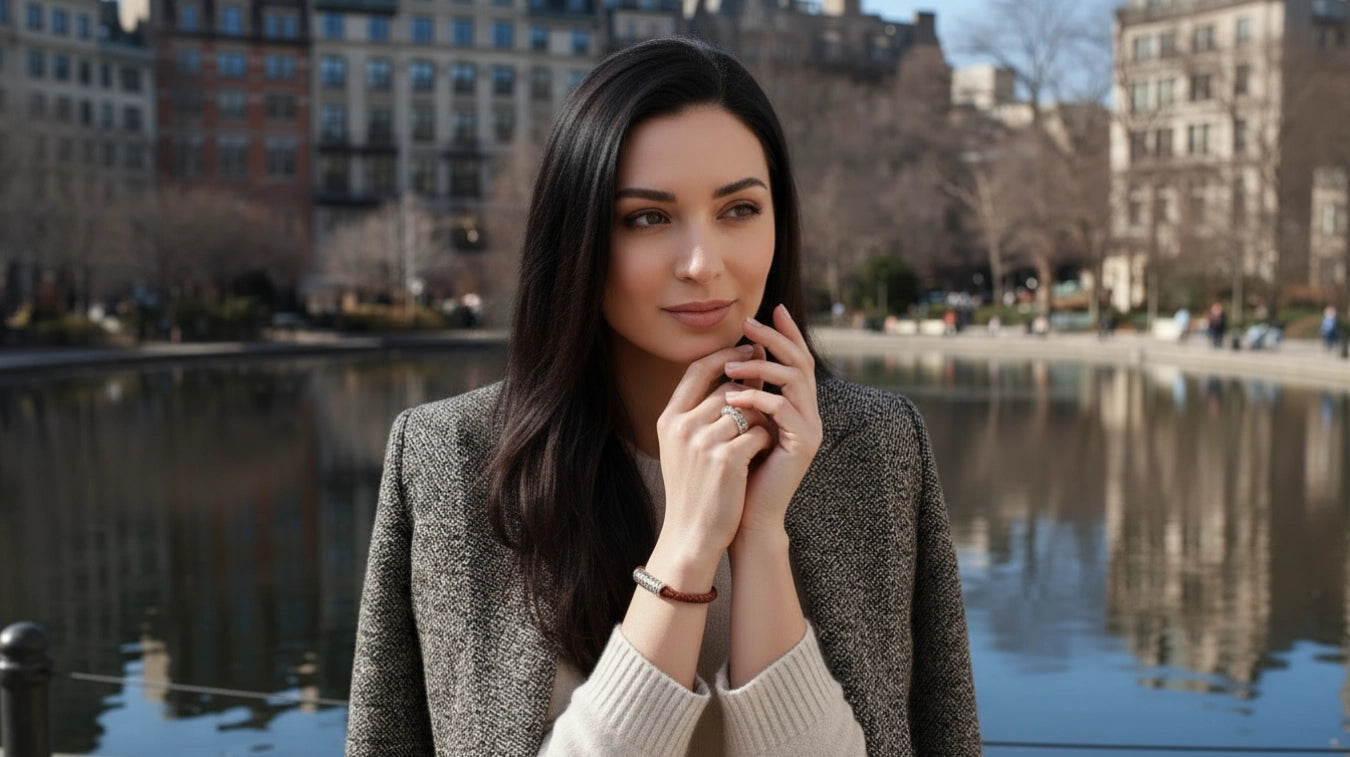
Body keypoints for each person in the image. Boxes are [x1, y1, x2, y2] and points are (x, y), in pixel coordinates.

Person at [345, 37, 980, 756]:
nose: (704, 263)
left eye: (739, 208)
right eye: (647, 217)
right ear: (578, 235)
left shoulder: (879, 446)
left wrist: (761, 536)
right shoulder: (448, 458)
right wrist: (686, 546)